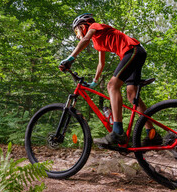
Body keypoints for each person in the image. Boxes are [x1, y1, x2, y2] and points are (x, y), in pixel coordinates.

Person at [59, 13, 162, 146]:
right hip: (134, 54)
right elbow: (101, 64)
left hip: (132, 51)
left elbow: (84, 41)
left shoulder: (95, 26)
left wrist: (70, 59)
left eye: (76, 30)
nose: (77, 35)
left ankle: (118, 132)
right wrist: (94, 82)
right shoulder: (97, 42)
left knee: (112, 86)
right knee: (131, 95)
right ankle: (152, 134)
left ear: (83, 26)